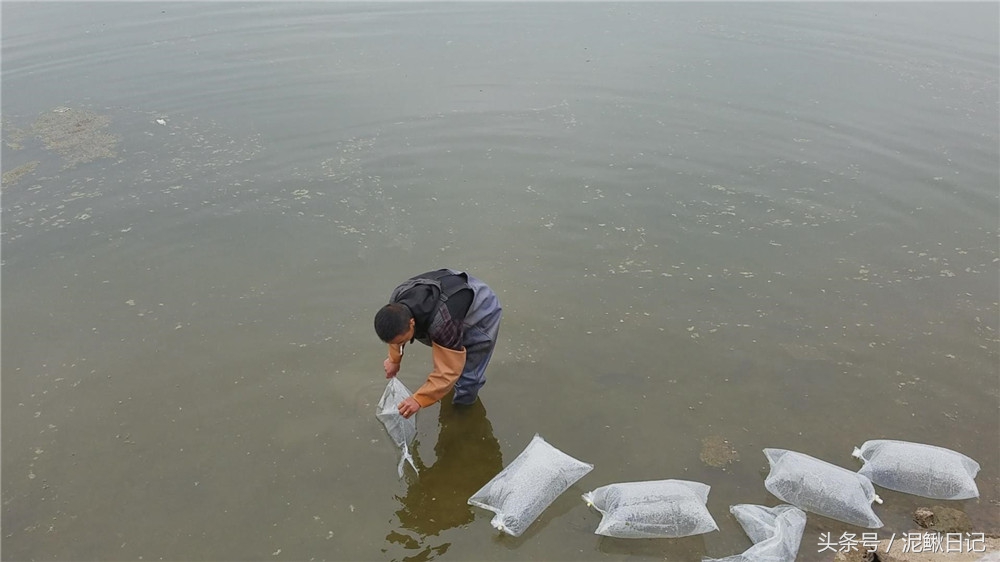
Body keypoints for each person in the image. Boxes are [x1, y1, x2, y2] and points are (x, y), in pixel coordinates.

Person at [374, 269, 502, 418]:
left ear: (412, 322)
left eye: (402, 341)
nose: (400, 344)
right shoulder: (397, 301)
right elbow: (395, 334)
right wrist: (394, 359)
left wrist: (418, 400)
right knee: (449, 354)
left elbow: (449, 371)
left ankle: (463, 412)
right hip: (452, 287)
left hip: (481, 308)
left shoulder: (442, 323)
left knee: (468, 376)